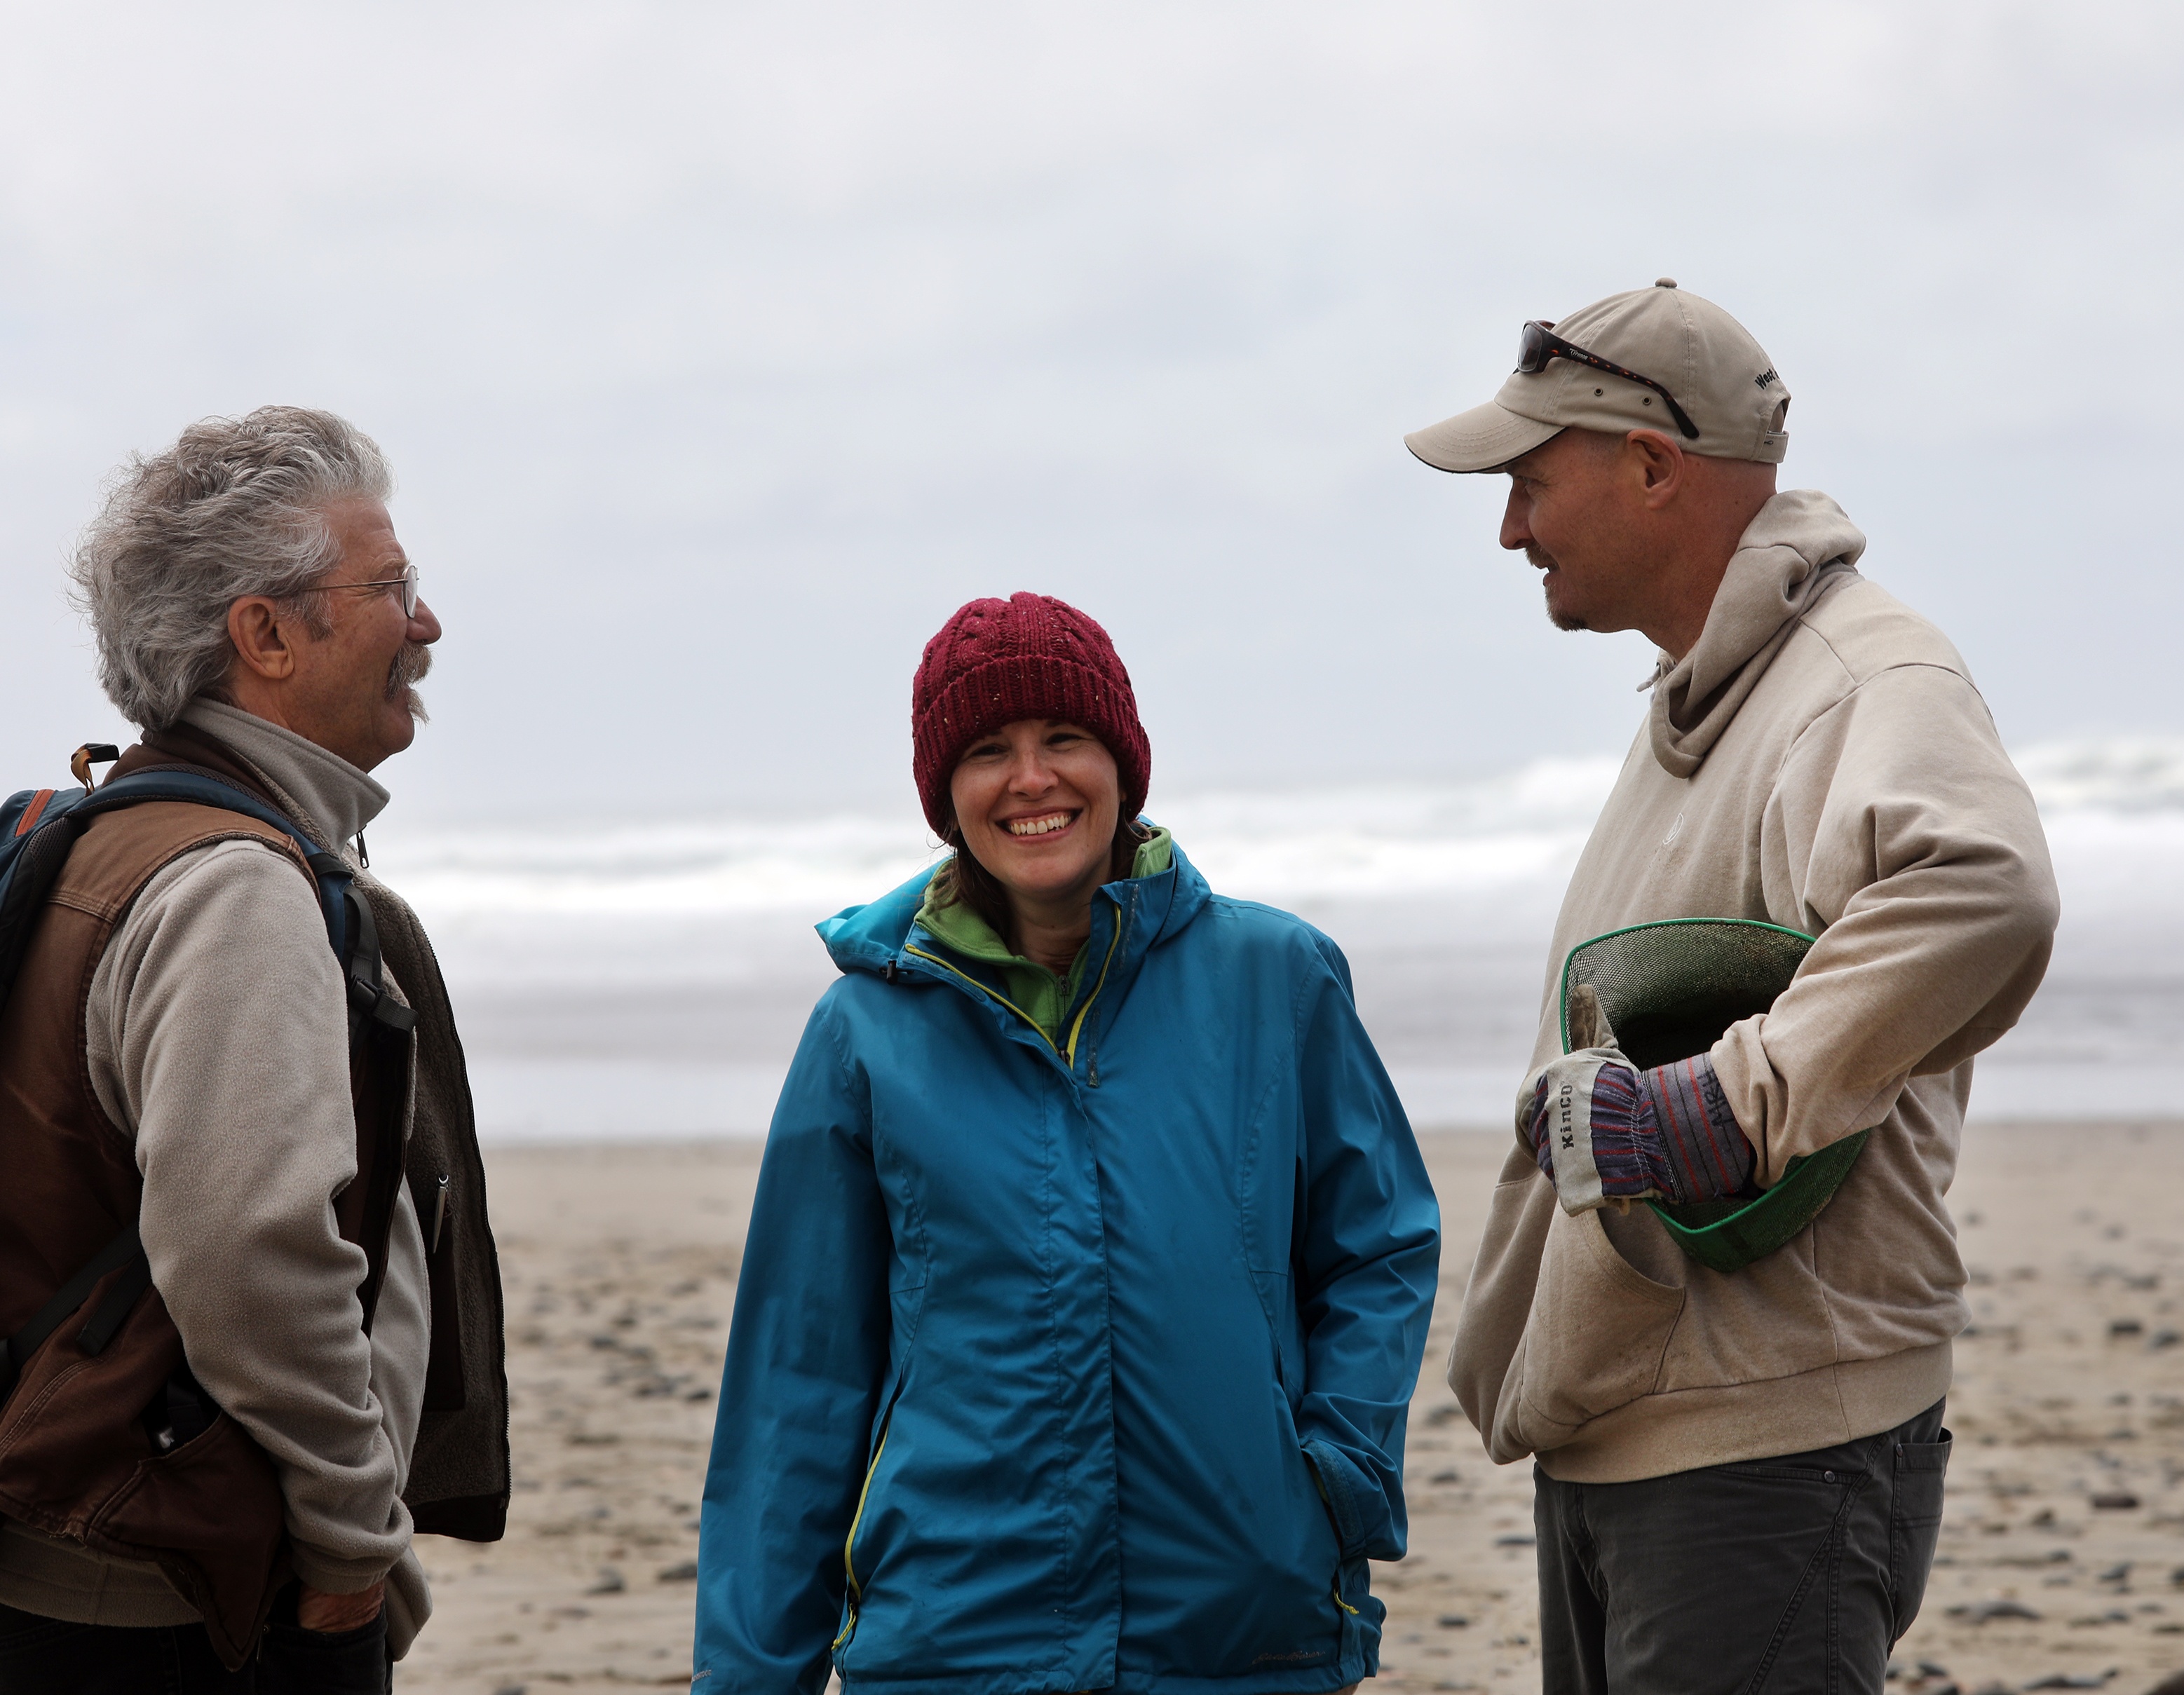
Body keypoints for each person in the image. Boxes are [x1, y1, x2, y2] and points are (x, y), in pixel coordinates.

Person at [1406, 283, 2060, 1691]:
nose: (1510, 528)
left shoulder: (1860, 681)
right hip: (1644, 1424)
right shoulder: (1709, 693)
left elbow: (1984, 889)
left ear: (1650, 464)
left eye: (1530, 480)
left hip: (1766, 1452)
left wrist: (1726, 1108)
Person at [694, 592, 1441, 1694]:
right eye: (989, 749)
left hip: (1241, 1628)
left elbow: (1380, 1248)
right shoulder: (863, 1032)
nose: (1032, 778)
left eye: (1065, 739)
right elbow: (797, 1377)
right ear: (947, 794)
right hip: (958, 1634)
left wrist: (1330, 1472)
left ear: (1123, 766)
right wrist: (753, 1676)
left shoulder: (1276, 976)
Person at [0, 408, 509, 1691]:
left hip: (87, 1551)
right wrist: (349, 1542)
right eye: (390, 587)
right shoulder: (233, 886)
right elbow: (247, 1251)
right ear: (265, 634)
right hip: (180, 1592)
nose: (427, 625)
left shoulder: (96, 838)